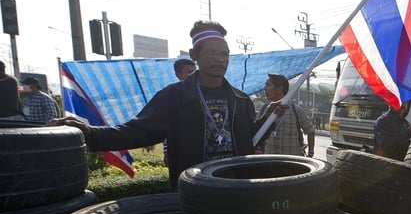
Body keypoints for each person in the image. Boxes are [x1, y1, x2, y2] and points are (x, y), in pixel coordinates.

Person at [49, 20, 260, 188]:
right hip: (194, 191)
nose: (220, 59)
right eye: (212, 52)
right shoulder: (174, 97)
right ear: (194, 54)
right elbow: (135, 131)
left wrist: (272, 115)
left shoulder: (240, 100)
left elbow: (250, 137)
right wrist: (90, 133)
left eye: (224, 54)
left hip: (236, 188)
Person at [256, 73, 315, 157]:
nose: (264, 88)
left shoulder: (296, 110)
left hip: (292, 163)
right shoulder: (264, 110)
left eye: (268, 85)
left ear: (279, 89)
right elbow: (257, 133)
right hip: (270, 162)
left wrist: (310, 153)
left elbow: (310, 131)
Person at [163, 58, 197, 166]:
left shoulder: (201, 93)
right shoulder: (172, 95)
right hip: (181, 152)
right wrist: (166, 151)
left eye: (195, 72)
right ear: (178, 74)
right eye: (189, 72)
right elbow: (166, 126)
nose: (193, 75)